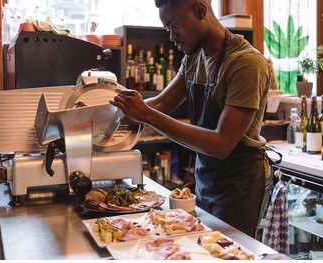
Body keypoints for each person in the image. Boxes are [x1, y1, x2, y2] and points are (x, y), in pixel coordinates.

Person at [110, 0, 272, 237]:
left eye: (174, 25)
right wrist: (112, 115)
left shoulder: (246, 63)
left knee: (230, 258)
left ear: (200, 10)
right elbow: (162, 103)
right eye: (167, 29)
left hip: (240, 184)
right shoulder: (194, 58)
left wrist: (146, 115)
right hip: (206, 176)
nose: (172, 36)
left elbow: (221, 144)